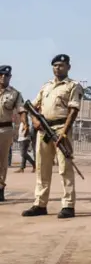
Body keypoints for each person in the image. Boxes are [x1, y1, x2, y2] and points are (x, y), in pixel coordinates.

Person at [21, 55, 83, 218]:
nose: (58, 68)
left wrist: (64, 132)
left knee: (65, 168)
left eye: (61, 65)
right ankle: (40, 204)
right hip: (43, 129)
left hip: (61, 128)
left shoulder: (73, 86)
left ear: (68, 67)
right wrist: (34, 120)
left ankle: (68, 205)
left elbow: (74, 110)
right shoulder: (46, 86)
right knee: (42, 168)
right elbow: (32, 106)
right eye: (55, 65)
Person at [0, 65, 27, 202]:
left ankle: (0, 188)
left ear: (10, 77)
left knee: (2, 161)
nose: (3, 77)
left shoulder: (15, 94)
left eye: (6, 75)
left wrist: (25, 124)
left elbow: (21, 110)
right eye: (1, 75)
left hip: (5, 130)